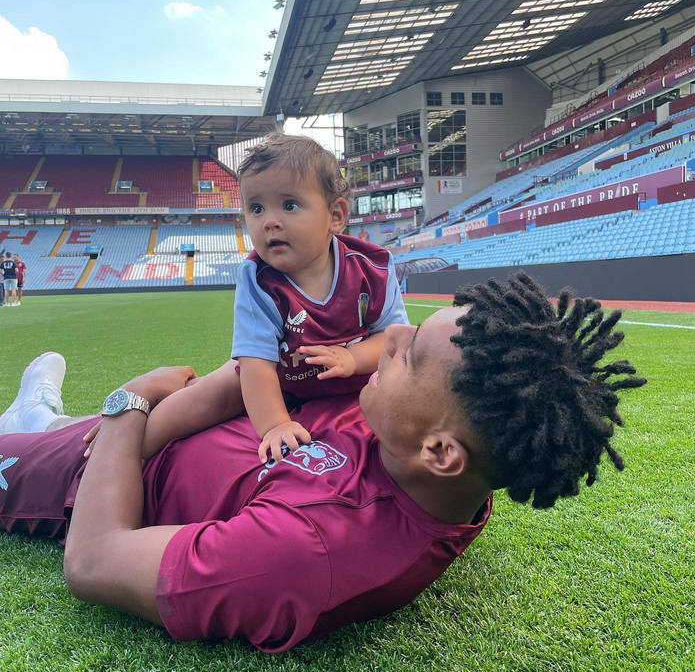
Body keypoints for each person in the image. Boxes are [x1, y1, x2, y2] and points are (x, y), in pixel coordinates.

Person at [0, 275, 645, 652]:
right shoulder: (424, 449)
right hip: (149, 434)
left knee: (40, 444)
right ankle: (42, 417)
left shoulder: (308, 551)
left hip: (83, 478)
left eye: (408, 355)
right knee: (58, 425)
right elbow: (257, 379)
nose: (389, 340)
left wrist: (128, 405)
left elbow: (91, 563)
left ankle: (38, 427)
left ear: (441, 452)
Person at [139, 134, 408, 464]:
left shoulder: (372, 266)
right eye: (256, 208)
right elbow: (256, 366)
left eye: (290, 205)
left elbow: (394, 341)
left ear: (335, 216)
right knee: (203, 401)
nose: (269, 221)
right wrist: (276, 424)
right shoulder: (259, 278)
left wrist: (352, 358)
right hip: (279, 380)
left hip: (353, 382)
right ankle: (130, 443)